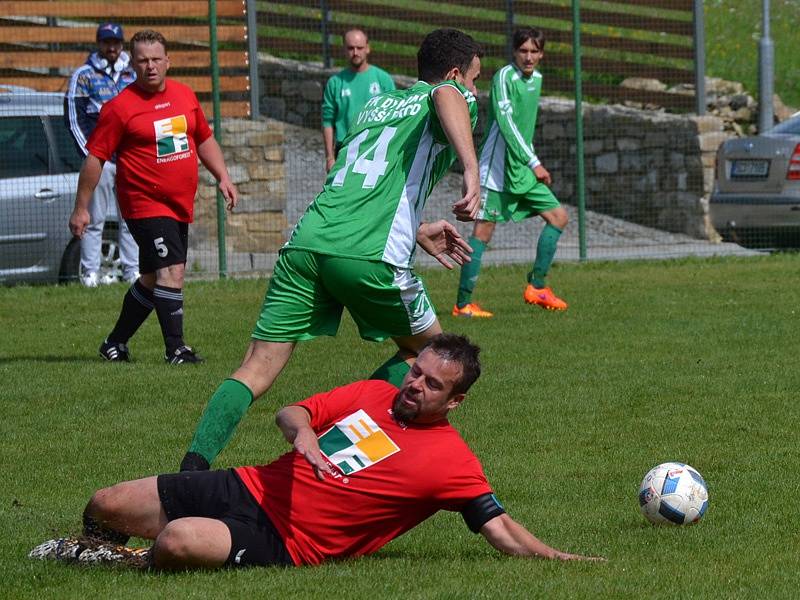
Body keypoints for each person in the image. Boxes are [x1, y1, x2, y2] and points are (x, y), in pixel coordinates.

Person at [178, 28, 483, 472]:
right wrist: (471, 171)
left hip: (307, 243)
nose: (475, 90)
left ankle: (191, 473)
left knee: (255, 368)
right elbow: (447, 98)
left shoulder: (376, 104)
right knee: (436, 357)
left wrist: (414, 227)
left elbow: (360, 181)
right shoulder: (448, 95)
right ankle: (334, 448)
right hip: (367, 253)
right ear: (456, 73)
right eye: (474, 79)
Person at [29, 334, 603, 570]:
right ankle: (89, 549)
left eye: (431, 385)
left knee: (177, 541)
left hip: (289, 540)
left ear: (454, 402)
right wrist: (301, 433)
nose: (414, 385)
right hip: (252, 485)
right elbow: (291, 412)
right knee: (105, 500)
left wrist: (561, 562)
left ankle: (117, 566)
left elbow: (498, 527)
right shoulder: (373, 394)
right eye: (416, 371)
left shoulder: (452, 462)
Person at [68, 29, 239, 364]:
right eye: (143, 61)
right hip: (144, 203)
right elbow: (95, 158)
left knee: (151, 278)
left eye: (156, 59)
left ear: (168, 62)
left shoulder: (185, 96)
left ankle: (114, 344)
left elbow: (203, 138)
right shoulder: (119, 108)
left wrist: (223, 176)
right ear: (133, 64)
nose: (150, 67)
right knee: (172, 271)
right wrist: (81, 209)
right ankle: (176, 349)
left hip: (178, 204)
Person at [453, 28, 570, 318]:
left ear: (541, 54)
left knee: (558, 217)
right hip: (496, 170)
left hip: (523, 168)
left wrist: (530, 163)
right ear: (514, 52)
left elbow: (524, 127)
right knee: (482, 231)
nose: (528, 57)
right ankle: (463, 304)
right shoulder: (504, 77)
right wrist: (535, 163)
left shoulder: (538, 80)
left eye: (534, 51)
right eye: (523, 51)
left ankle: (537, 288)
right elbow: (506, 125)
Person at [65, 22, 139, 287]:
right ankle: (90, 274)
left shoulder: (133, 73)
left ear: (122, 44)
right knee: (94, 219)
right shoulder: (84, 75)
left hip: (132, 161)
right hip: (102, 162)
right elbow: (75, 119)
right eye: (107, 42)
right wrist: (94, 156)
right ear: (98, 44)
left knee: (131, 218)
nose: (112, 48)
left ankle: (133, 272)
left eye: (116, 43)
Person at [322, 28, 395, 172]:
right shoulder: (335, 83)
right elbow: (327, 121)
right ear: (344, 49)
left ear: (367, 48)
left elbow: (396, 118)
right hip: (345, 150)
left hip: (376, 150)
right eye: (350, 48)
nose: (355, 52)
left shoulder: (383, 80)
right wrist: (330, 157)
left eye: (359, 48)